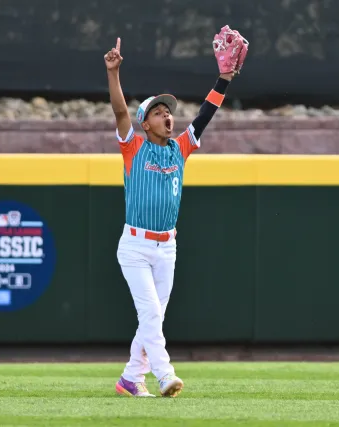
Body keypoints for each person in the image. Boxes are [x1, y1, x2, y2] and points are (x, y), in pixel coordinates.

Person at [105, 33, 242, 398]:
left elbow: (206, 114)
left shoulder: (180, 148)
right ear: (145, 124)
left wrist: (224, 79)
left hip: (167, 248)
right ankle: (165, 376)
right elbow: (120, 112)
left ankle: (131, 378)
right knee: (151, 316)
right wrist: (114, 73)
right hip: (134, 246)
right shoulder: (133, 148)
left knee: (154, 319)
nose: (167, 115)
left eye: (168, 111)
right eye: (158, 112)